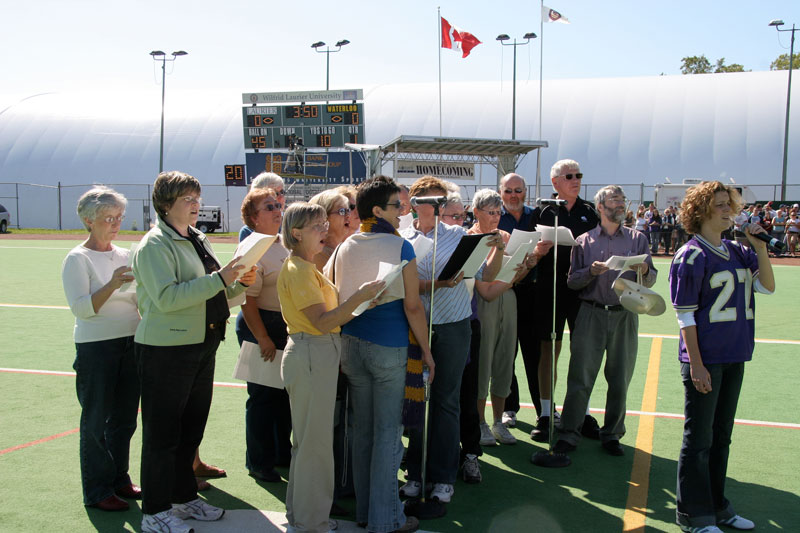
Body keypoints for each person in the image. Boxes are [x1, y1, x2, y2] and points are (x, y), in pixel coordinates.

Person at [132, 171, 256, 533]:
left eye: (196, 198)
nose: (196, 205)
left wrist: (238, 284)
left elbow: (211, 292)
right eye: (187, 199)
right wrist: (221, 280)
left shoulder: (197, 238)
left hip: (202, 341)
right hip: (165, 349)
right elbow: (168, 299)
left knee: (190, 429)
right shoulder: (155, 245)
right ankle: (155, 512)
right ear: (166, 204)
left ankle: (183, 499)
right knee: (162, 434)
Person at [328, 176, 433, 533]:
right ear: (377, 210)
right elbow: (413, 307)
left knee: (364, 433)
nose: (402, 211)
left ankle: (366, 513)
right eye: (396, 205)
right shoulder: (399, 246)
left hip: (352, 346)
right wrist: (429, 353)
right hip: (388, 348)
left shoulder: (346, 245)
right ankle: (386, 519)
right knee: (388, 434)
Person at [669, 181, 774, 533]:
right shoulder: (691, 255)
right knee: (698, 439)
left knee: (721, 436)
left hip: (735, 354)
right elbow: (685, 315)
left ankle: (717, 506)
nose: (729, 210)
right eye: (720, 205)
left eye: (730, 204)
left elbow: (766, 286)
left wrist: (759, 247)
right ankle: (692, 513)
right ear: (700, 211)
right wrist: (696, 363)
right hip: (706, 358)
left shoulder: (738, 250)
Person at [277, 202, 384, 533]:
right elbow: (322, 322)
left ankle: (304, 516)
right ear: (296, 233)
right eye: (317, 227)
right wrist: (358, 299)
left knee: (308, 443)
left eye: (325, 224)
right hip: (312, 352)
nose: (325, 230)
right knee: (315, 446)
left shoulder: (305, 267)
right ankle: (312, 522)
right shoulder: (299, 269)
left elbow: (328, 317)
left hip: (314, 353)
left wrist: (362, 301)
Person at [399, 176, 505, 504]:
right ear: (416, 203)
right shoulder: (402, 238)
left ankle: (443, 477)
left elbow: (486, 274)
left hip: (454, 327)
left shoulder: (459, 235)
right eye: (429, 199)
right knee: (417, 400)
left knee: (446, 402)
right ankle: (415, 473)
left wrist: (498, 251)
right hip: (415, 329)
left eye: (440, 199)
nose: (437, 205)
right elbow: (399, 285)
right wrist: (435, 284)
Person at [553, 185, 656, 457]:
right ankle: (569, 433)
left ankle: (612, 434)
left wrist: (644, 269)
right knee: (580, 377)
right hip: (590, 314)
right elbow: (573, 282)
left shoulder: (638, 239)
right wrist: (591, 272)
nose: (620, 204)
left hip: (625, 315)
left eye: (622, 200)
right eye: (614, 200)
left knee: (620, 378)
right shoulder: (584, 241)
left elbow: (651, 278)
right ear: (600, 206)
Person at [61, 186, 141, 512]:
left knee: (124, 420)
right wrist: (112, 284)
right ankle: (97, 491)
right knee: (95, 422)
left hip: (131, 342)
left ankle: (119, 478)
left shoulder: (125, 254)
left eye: (119, 217)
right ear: (88, 220)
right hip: (96, 347)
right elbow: (81, 309)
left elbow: (138, 299)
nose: (115, 223)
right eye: (109, 218)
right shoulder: (77, 259)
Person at [528, 159, 600, 443]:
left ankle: (579, 413)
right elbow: (528, 250)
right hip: (549, 289)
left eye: (579, 175)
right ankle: (547, 413)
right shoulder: (542, 212)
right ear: (555, 182)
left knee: (583, 354)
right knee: (550, 350)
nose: (576, 180)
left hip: (582, 291)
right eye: (569, 176)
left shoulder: (589, 212)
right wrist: (538, 251)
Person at [470, 189, 540, 447]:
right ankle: (480, 423)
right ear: (476, 212)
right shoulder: (469, 238)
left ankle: (499, 421)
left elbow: (513, 278)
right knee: (483, 363)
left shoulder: (506, 235)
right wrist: (499, 252)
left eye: (498, 212)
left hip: (508, 301)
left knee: (504, 362)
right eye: (491, 212)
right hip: (482, 305)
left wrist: (527, 266)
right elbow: (486, 281)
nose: (496, 217)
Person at [235, 187, 292, 482]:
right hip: (262, 325)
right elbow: (247, 299)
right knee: (262, 397)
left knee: (283, 396)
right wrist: (262, 337)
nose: (277, 209)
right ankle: (259, 461)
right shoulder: (253, 247)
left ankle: (282, 453)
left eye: (277, 205)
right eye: (268, 206)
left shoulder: (283, 243)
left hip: (284, 325)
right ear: (253, 218)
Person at [497, 172, 552, 428]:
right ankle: (509, 407)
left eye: (518, 190)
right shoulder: (495, 216)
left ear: (525, 191)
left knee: (534, 354)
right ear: (500, 193)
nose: (513, 195)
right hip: (505, 290)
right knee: (507, 353)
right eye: (508, 191)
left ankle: (544, 410)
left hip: (533, 292)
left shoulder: (538, 215)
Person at [440, 195, 482, 483]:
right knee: (441, 398)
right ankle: (438, 456)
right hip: (436, 327)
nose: (459, 223)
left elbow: (487, 278)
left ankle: (470, 455)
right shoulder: (426, 244)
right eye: (452, 217)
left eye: (461, 217)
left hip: (467, 324)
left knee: (467, 394)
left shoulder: (467, 242)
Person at [309, 189, 353, 271]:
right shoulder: (316, 256)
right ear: (323, 218)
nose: (348, 216)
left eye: (348, 211)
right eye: (342, 211)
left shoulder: (340, 250)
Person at [239, 172, 286, 241]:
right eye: (275, 193)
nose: (281, 198)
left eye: (282, 192)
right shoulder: (248, 232)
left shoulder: (292, 224)